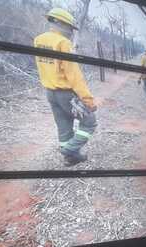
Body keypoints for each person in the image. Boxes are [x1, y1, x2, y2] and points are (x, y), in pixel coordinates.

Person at [34, 8, 97, 165]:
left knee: (63, 125)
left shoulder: (38, 40)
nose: (71, 31)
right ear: (60, 23)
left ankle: (71, 159)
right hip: (66, 94)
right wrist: (87, 99)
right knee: (89, 122)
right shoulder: (63, 42)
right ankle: (68, 150)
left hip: (50, 92)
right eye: (70, 27)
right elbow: (73, 74)